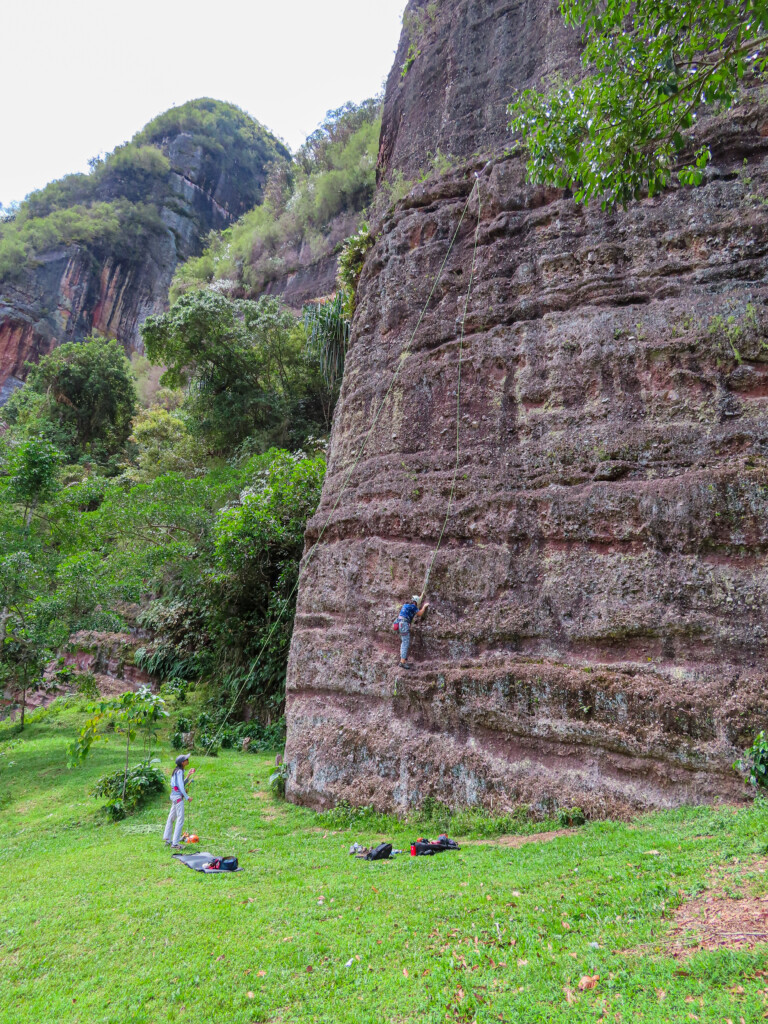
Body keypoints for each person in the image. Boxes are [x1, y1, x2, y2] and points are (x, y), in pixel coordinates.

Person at [163, 753, 195, 850]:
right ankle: (175, 843)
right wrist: (186, 797)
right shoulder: (180, 772)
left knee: (171, 818)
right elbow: (181, 787)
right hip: (178, 798)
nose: (188, 760)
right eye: (186, 759)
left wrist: (188, 775)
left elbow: (180, 784)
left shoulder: (176, 771)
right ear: (182, 762)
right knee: (180, 819)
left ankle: (168, 839)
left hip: (174, 796)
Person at [397, 594, 429, 669]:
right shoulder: (413, 607)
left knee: (403, 641)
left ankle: (403, 658)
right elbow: (420, 613)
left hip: (399, 624)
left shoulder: (406, 605)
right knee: (405, 642)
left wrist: (421, 596)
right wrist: (424, 606)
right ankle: (402, 662)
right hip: (404, 625)